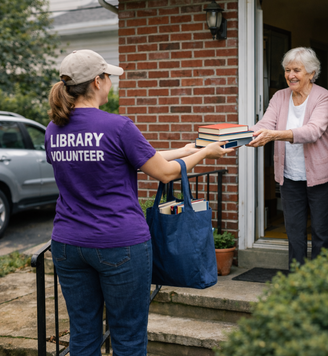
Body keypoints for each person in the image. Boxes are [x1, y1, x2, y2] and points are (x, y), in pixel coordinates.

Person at [46, 49, 233, 356]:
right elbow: (164, 173)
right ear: (97, 81)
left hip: (68, 245)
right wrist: (204, 153)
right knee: (128, 337)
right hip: (118, 244)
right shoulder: (117, 125)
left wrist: (183, 149)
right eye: (109, 77)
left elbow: (117, 160)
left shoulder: (54, 129)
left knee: (83, 335)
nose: (111, 83)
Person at [248, 47, 328, 268]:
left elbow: (313, 131)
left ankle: (319, 280)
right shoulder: (279, 96)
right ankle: (297, 280)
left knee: (321, 231)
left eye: (297, 70)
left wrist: (275, 135)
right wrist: (239, 135)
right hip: (289, 176)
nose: (290, 75)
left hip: (320, 176)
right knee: (294, 231)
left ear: (311, 73)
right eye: (287, 70)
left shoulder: (324, 97)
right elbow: (265, 124)